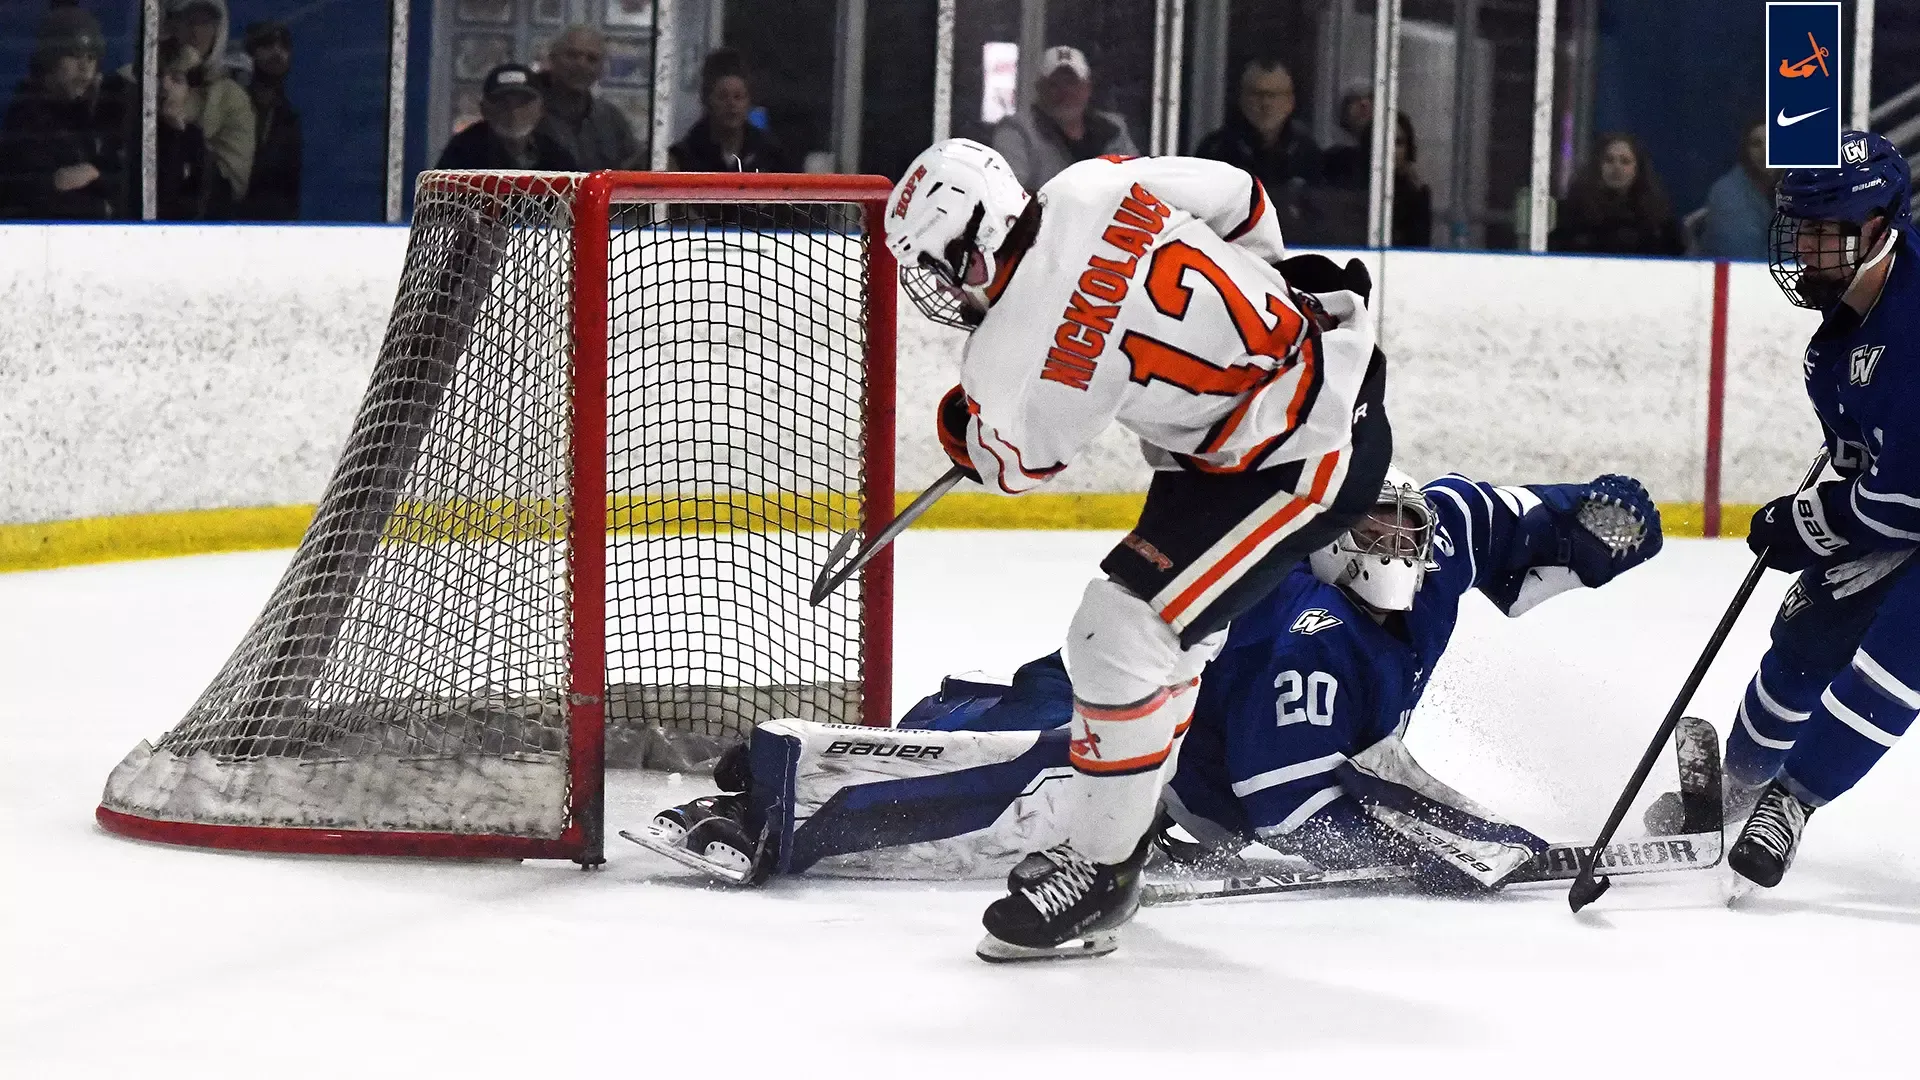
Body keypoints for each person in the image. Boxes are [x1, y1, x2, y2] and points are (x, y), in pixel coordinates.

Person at [640, 468, 1663, 898]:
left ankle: (814, 756)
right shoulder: (1303, 637)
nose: (1397, 540)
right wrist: (1470, 852)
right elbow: (1285, 806)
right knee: (1028, 784)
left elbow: (1537, 517)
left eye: (1404, 526)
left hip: (1141, 675)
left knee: (998, 723)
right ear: (1330, 544)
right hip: (1149, 725)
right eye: (1373, 528)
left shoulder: (1447, 535)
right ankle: (771, 808)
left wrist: (1606, 525)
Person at [863, 139, 1390, 959]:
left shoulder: (1010, 346)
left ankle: (1102, 875)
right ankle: (1132, 822)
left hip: (1303, 455)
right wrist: (1263, 289)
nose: (937, 289)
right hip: (1305, 384)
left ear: (973, 245)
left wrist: (961, 429)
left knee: (1118, 635)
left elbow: (1018, 463)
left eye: (937, 267)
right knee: (1166, 642)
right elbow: (1244, 199)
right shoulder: (1093, 182)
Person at [1721, 130, 1920, 890]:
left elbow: (1897, 500)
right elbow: (1867, 473)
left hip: (1908, 509)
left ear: (1877, 231)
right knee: (1804, 642)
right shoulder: (1831, 349)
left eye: (1821, 233)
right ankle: (1733, 792)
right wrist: (1822, 518)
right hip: (1905, 509)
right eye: (1798, 229)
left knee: (1899, 655)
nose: (1803, 249)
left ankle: (1790, 803)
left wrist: (1807, 523)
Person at [0, 4, 126, 219]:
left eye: (91, 58)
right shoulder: (26, 121)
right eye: (75, 55)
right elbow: (30, 200)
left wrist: (94, 174)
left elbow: (120, 183)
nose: (85, 68)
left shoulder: (90, 116)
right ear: (50, 59)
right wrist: (100, 207)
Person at [990, 46, 1138, 191]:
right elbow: (1008, 195)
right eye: (1055, 85)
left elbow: (1137, 185)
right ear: (1039, 89)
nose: (1065, 92)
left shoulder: (1112, 130)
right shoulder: (1017, 131)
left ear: (1088, 88)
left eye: (1072, 83)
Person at [162, 0, 254, 211]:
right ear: (172, 25)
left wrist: (184, 133)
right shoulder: (138, 81)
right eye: (188, 21)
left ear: (218, 31)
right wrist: (176, 72)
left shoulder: (232, 98)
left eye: (205, 23)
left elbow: (233, 185)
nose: (196, 31)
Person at [1192, 60, 1322, 192]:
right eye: (1257, 94)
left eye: (1274, 95)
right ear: (1242, 99)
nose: (1266, 103)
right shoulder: (1216, 150)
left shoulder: (1306, 151)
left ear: (1290, 102)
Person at [1548, 133, 1683, 256]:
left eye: (1625, 161)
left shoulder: (1657, 217)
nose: (1616, 167)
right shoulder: (1574, 211)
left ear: (1638, 169)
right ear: (1598, 165)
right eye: (1609, 160)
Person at [434, 63, 577, 171]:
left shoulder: (557, 155)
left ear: (541, 108)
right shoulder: (461, 152)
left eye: (523, 103)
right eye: (502, 102)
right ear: (485, 109)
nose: (513, 111)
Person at [536, 26, 641, 171]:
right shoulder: (526, 111)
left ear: (601, 69)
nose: (581, 65)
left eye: (592, 59)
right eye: (572, 55)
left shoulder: (611, 118)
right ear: (552, 59)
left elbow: (630, 169)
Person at [666, 48, 789, 172]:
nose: (731, 104)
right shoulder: (684, 155)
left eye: (738, 97)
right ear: (707, 100)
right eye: (722, 97)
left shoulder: (769, 154)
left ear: (749, 101)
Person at [153, 39, 227, 219]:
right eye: (156, 76)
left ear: (189, 91)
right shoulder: (128, 129)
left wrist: (175, 133)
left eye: (177, 79)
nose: (165, 86)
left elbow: (196, 206)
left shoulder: (194, 141)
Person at [237, 21, 299, 220]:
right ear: (250, 54)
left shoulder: (289, 117)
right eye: (267, 45)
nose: (277, 53)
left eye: (284, 46)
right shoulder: (231, 108)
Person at [1695, 121, 1776, 260]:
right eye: (1757, 143)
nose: (1765, 150)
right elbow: (1742, 259)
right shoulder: (1726, 194)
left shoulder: (1804, 189)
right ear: (1745, 150)